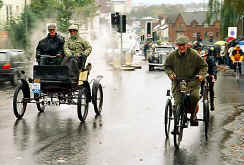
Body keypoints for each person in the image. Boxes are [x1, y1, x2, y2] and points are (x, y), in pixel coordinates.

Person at [164, 36, 208, 126]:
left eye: (183, 45)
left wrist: (201, 75)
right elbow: (166, 66)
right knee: (177, 102)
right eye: (179, 45)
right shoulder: (172, 55)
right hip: (178, 82)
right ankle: (177, 123)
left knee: (194, 97)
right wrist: (170, 73)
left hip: (193, 82)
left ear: (187, 45)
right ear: (176, 45)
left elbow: (204, 66)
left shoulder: (194, 54)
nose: (181, 47)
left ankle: (193, 115)